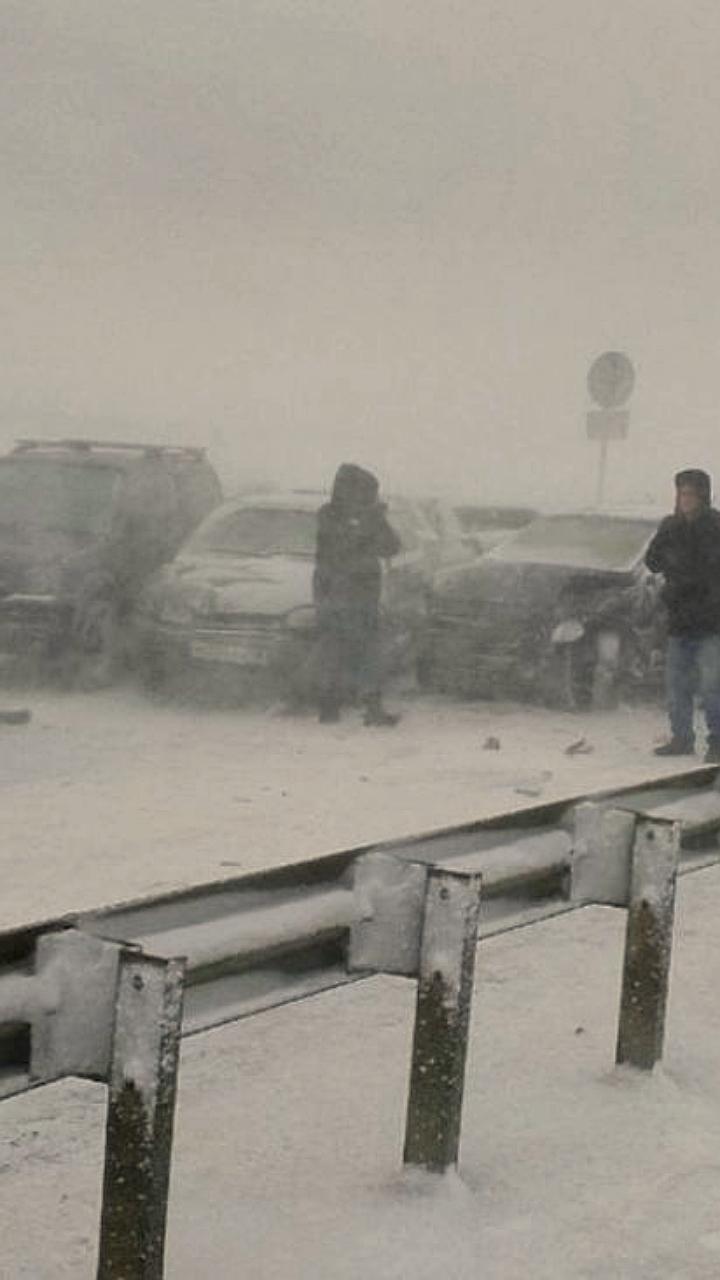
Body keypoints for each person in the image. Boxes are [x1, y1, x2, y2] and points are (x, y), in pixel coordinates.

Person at [312, 463, 401, 725]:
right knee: (337, 649)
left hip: (362, 593)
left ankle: (369, 708)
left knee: (365, 650)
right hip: (337, 592)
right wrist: (368, 521)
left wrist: (377, 521)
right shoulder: (328, 515)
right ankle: (331, 706)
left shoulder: (367, 517)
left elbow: (391, 548)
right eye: (367, 492)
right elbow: (343, 545)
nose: (370, 498)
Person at [644, 468, 720, 761]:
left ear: (702, 495)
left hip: (712, 621)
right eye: (680, 493)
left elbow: (710, 568)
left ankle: (717, 742)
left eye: (689, 493)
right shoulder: (670, 526)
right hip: (679, 620)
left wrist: (693, 575)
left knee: (712, 687)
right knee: (677, 686)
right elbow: (652, 561)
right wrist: (671, 560)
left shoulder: (715, 526)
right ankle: (682, 738)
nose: (684, 499)